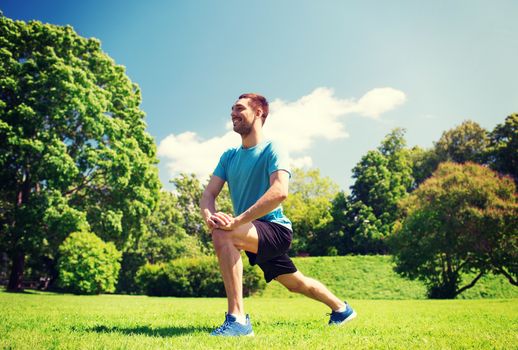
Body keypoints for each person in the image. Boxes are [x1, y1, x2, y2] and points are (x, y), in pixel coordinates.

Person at [200, 93, 356, 337]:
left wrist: (237, 222)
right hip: (250, 231)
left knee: (224, 234)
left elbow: (280, 191)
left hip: (275, 230)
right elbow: (209, 193)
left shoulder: (273, 148)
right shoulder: (229, 156)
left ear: (259, 112)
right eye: (231, 108)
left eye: (239, 108)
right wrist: (209, 215)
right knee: (296, 283)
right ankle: (341, 309)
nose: (233, 113)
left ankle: (238, 321)